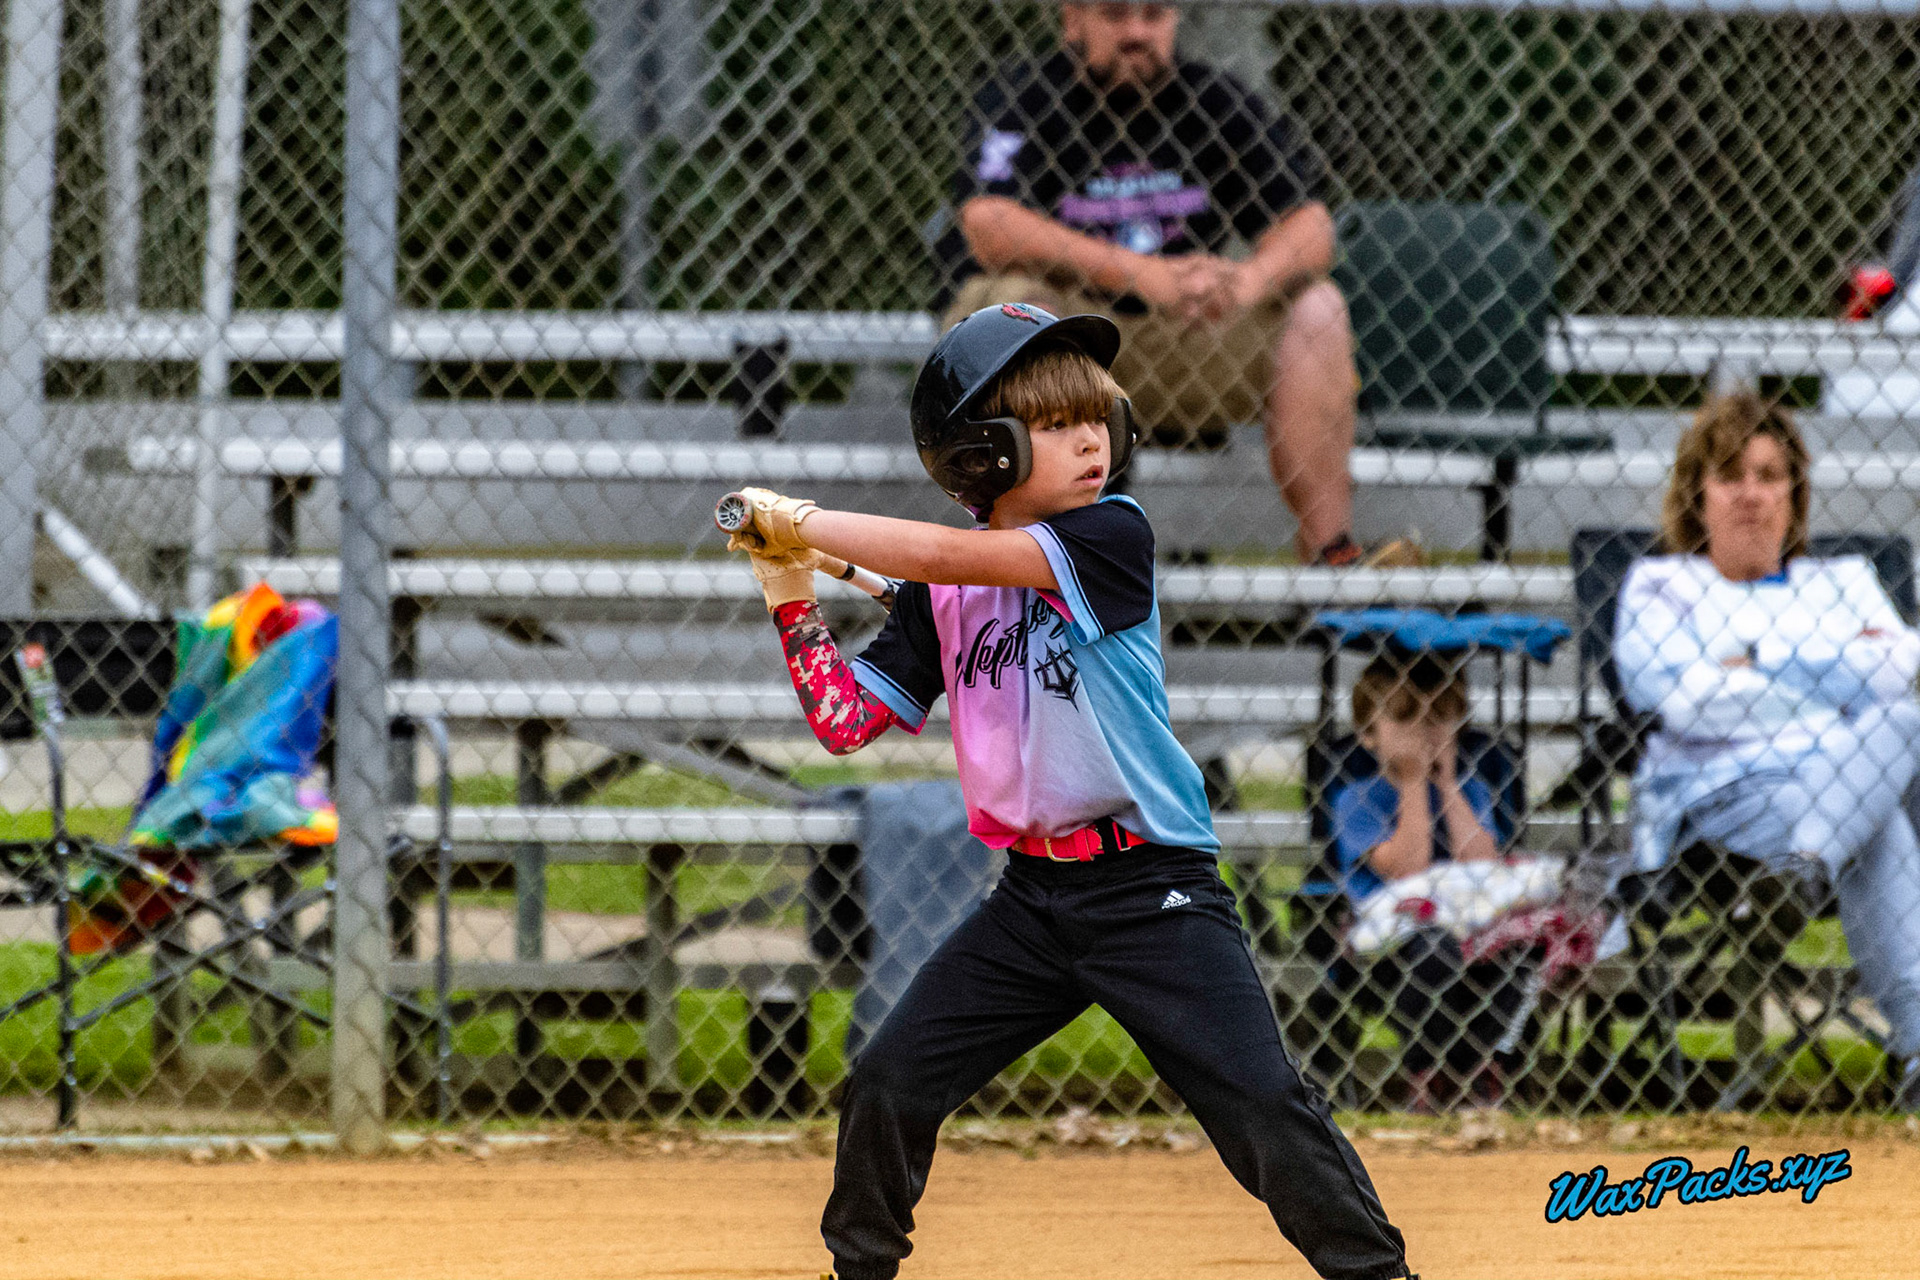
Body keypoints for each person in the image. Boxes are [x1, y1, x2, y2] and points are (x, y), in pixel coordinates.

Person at [722, 303, 1411, 1280]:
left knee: (1261, 1103)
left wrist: (805, 521)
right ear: (980, 451)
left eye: (1096, 415)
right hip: (1034, 900)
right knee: (888, 1079)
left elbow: (952, 555)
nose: (1091, 437)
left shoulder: (1107, 535)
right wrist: (788, 589)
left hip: (1152, 886)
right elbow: (844, 719)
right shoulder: (941, 595)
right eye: (1051, 422)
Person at [935, 1, 1417, 567]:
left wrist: (1246, 282)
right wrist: (1143, 274)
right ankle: (1050, 562)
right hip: (1068, 336)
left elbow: (1311, 227)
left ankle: (1332, 560)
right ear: (1073, 20)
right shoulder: (1025, 96)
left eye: (1154, 14)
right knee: (1024, 313)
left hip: (1182, 340)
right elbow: (989, 224)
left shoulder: (1213, 100)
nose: (1137, 32)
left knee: (1318, 306)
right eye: (1116, 15)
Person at [1616, 392, 1920, 1108]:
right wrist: (1837, 669)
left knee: (1900, 730)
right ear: (1698, 494)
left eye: (1769, 474)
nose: (1751, 494)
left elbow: (1903, 673)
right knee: (1880, 791)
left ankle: (1803, 872)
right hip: (1724, 789)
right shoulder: (1661, 585)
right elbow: (1679, 701)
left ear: (1795, 493)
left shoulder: (1843, 580)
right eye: (1730, 475)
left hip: (1846, 779)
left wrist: (1750, 661)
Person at [1332, 652, 1530, 1111]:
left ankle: (1478, 1066)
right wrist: (1414, 783)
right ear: (1368, 736)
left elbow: (1482, 861)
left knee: (1512, 950)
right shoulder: (1356, 800)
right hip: (1392, 940)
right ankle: (1435, 1072)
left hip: (1468, 922)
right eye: (1405, 719)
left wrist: (1445, 783)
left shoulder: (1471, 789)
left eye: (1438, 718)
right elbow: (1409, 870)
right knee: (1435, 952)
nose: (1424, 731)